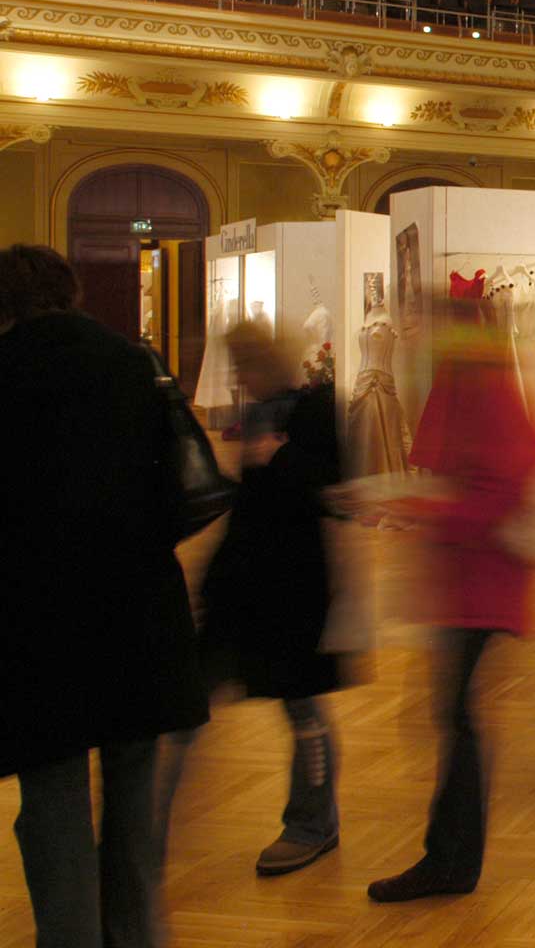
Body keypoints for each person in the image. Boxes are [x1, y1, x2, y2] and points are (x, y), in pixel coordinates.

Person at [1, 244, 207, 947]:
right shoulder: (134, 365)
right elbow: (181, 493)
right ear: (73, 292)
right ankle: (134, 937)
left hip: (36, 622)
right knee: (132, 801)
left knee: (53, 801)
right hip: (137, 612)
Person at [159, 319, 348, 879]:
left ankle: (313, 823)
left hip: (294, 591)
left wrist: (276, 460)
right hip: (242, 589)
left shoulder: (312, 410)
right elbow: (254, 506)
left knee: (303, 709)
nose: (239, 375)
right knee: (187, 704)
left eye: (245, 363)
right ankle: (148, 827)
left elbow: (328, 490)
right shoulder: (265, 412)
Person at [367, 296, 535, 903]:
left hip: (482, 584)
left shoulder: (483, 387)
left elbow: (499, 493)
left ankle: (451, 861)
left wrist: (422, 508)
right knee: (455, 717)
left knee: (458, 719)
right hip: (472, 583)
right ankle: (449, 857)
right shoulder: (480, 381)